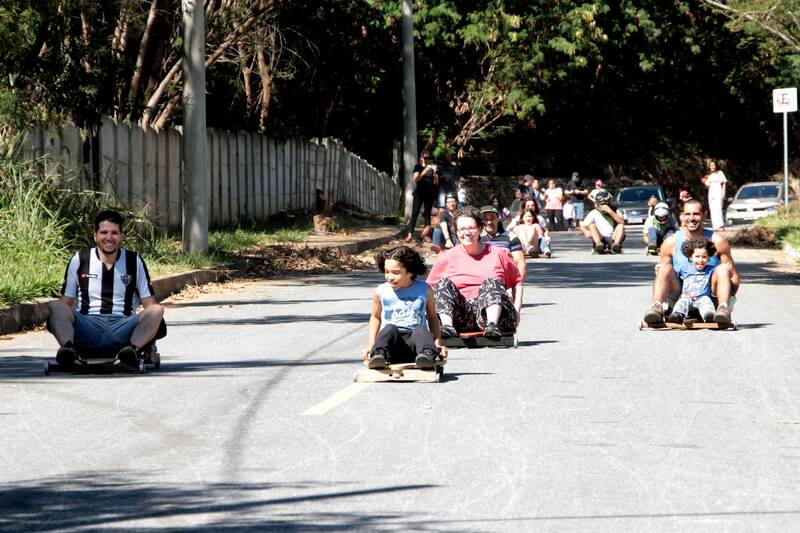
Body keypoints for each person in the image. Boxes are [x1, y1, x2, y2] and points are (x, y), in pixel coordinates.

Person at [47, 209, 166, 368]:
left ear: (121, 236)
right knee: (55, 306)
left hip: (123, 328)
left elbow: (149, 304)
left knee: (157, 310)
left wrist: (151, 343)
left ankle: (132, 352)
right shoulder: (79, 260)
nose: (109, 238)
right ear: (95, 235)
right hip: (88, 326)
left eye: (114, 233)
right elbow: (65, 303)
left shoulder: (134, 261)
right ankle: (68, 350)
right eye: (104, 232)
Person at [427, 206, 523, 338]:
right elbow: (428, 289)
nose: (467, 233)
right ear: (457, 231)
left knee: (492, 281)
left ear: (480, 229)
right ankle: (447, 327)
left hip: (498, 314)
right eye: (462, 229)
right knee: (442, 283)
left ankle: (492, 325)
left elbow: (517, 281)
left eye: (471, 228)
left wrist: (517, 311)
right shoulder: (446, 257)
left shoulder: (499, 254)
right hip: (461, 316)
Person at [642, 198, 740, 325]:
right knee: (664, 268)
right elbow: (663, 277)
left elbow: (734, 278)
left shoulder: (718, 241)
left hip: (709, 297)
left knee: (722, 269)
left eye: (696, 214)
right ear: (682, 216)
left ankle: (722, 308)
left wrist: (730, 301)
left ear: (705, 215)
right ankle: (657, 307)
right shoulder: (671, 242)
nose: (692, 218)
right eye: (688, 214)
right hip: (681, 296)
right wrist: (659, 272)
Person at [363, 246, 446, 370]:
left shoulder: (425, 290)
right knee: (389, 329)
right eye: (386, 271)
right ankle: (378, 355)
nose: (389, 277)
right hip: (391, 348)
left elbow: (433, 318)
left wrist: (438, 343)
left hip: (417, 349)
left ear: (410, 272)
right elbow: (375, 318)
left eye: (396, 273)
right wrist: (371, 345)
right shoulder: (381, 291)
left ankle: (428, 355)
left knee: (420, 330)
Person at [666, 237, 717, 323]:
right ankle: (677, 315)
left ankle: (709, 316)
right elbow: (672, 275)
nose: (700, 260)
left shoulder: (711, 269)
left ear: (709, 258)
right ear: (690, 257)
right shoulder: (684, 267)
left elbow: (720, 275)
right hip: (687, 297)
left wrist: (727, 269)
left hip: (702, 298)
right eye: (697, 256)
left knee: (706, 301)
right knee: (682, 301)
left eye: (704, 257)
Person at [479, 205, 528, 284]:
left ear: (498, 218)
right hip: (479, 283)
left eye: (492, 218)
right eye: (485, 219)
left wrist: (517, 286)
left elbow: (520, 263)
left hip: (505, 284)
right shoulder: (475, 238)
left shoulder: (511, 237)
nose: (489, 222)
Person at [404, 151, 439, 242]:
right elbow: (416, 179)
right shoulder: (418, 167)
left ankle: (426, 235)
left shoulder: (432, 167)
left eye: (428, 158)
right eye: (425, 158)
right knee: (415, 213)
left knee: (427, 215)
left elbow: (436, 183)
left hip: (429, 193)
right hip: (419, 193)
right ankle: (409, 235)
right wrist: (425, 171)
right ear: (421, 158)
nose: (427, 160)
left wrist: (435, 173)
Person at [579, 189, 626, 253]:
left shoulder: (614, 211)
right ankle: (598, 244)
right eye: (599, 204)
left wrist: (610, 211)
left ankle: (616, 245)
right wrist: (588, 231)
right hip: (600, 237)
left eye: (603, 204)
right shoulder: (594, 212)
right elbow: (584, 225)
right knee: (592, 225)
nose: (601, 206)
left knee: (621, 226)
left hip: (612, 237)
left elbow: (622, 222)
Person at [702, 160, 727, 231]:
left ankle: (721, 225)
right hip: (711, 193)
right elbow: (708, 186)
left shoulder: (720, 173)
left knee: (718, 208)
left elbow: (724, 183)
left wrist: (724, 193)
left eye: (713, 165)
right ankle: (715, 226)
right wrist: (704, 182)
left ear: (716, 166)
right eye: (711, 165)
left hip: (718, 191)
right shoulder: (708, 175)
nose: (712, 167)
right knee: (712, 209)